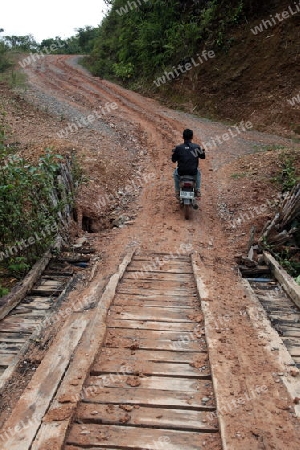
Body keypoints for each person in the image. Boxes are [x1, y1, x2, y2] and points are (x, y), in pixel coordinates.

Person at [172, 129, 205, 198]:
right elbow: (203, 157)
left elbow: (173, 160)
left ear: (183, 137)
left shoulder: (178, 148)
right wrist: (202, 152)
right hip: (193, 172)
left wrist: (175, 154)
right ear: (192, 137)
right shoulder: (196, 147)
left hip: (181, 172)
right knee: (198, 173)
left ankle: (177, 191)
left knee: (175, 174)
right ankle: (198, 190)